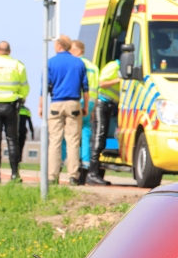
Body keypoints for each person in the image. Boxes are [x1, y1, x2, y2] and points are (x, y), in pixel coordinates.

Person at [40, 35, 89, 186]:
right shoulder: (79, 63)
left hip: (56, 104)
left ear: (59, 46)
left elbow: (44, 87)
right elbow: (85, 88)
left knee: (55, 141)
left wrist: (41, 105)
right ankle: (73, 176)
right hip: (74, 104)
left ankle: (51, 176)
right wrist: (85, 107)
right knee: (73, 142)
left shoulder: (50, 63)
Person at [0, 41, 29, 182]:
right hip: (11, 106)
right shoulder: (18, 65)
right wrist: (21, 98)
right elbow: (24, 88)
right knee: (12, 140)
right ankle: (15, 175)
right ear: (9, 51)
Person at [65, 40, 99, 182]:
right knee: (85, 136)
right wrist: (92, 110)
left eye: (72, 50)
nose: (70, 53)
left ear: (78, 51)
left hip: (78, 102)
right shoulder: (93, 67)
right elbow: (96, 89)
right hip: (90, 104)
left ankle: (67, 167)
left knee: (71, 136)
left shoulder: (76, 64)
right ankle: (85, 168)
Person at [86, 57, 122, 186]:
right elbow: (101, 83)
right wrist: (119, 79)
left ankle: (96, 173)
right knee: (99, 138)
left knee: (101, 139)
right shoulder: (113, 66)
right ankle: (93, 174)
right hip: (102, 104)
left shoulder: (119, 67)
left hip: (109, 106)